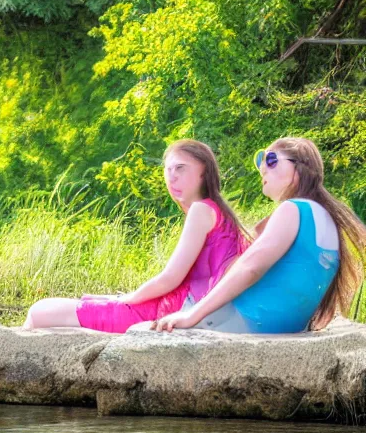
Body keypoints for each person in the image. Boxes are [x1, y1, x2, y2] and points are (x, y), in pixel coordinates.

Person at [23, 139, 249, 333]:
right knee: (65, 306)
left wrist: (126, 299)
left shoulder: (202, 210)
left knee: (40, 311)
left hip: (172, 310)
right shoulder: (218, 213)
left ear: (204, 172)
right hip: (178, 306)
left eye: (180, 168)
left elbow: (171, 278)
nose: (172, 177)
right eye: (168, 170)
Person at [153, 137, 366, 334]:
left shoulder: (293, 209)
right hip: (284, 326)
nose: (263, 169)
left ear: (300, 167)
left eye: (272, 160)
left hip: (249, 321)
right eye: (260, 162)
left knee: (154, 321)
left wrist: (193, 314)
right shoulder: (324, 216)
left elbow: (250, 267)